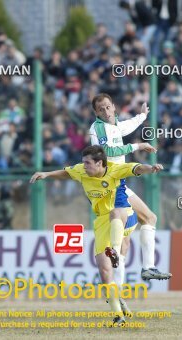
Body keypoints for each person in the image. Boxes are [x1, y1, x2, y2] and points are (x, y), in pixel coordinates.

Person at [30, 145, 165, 326]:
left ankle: (115, 251)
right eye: (83, 162)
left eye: (87, 163)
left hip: (125, 214)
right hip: (102, 221)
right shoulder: (82, 171)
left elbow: (137, 168)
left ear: (100, 163)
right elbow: (67, 173)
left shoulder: (115, 170)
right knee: (104, 270)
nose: (84, 166)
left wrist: (151, 168)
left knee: (116, 213)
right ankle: (119, 315)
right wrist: (46, 174)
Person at [89, 93, 171, 286]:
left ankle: (139, 274)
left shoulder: (115, 125)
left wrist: (142, 116)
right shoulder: (97, 128)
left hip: (119, 183)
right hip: (109, 186)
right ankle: (141, 271)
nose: (106, 111)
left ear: (114, 107)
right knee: (127, 237)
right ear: (96, 112)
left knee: (147, 220)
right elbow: (106, 152)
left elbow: (128, 125)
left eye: (108, 107)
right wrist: (137, 146)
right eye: (101, 109)